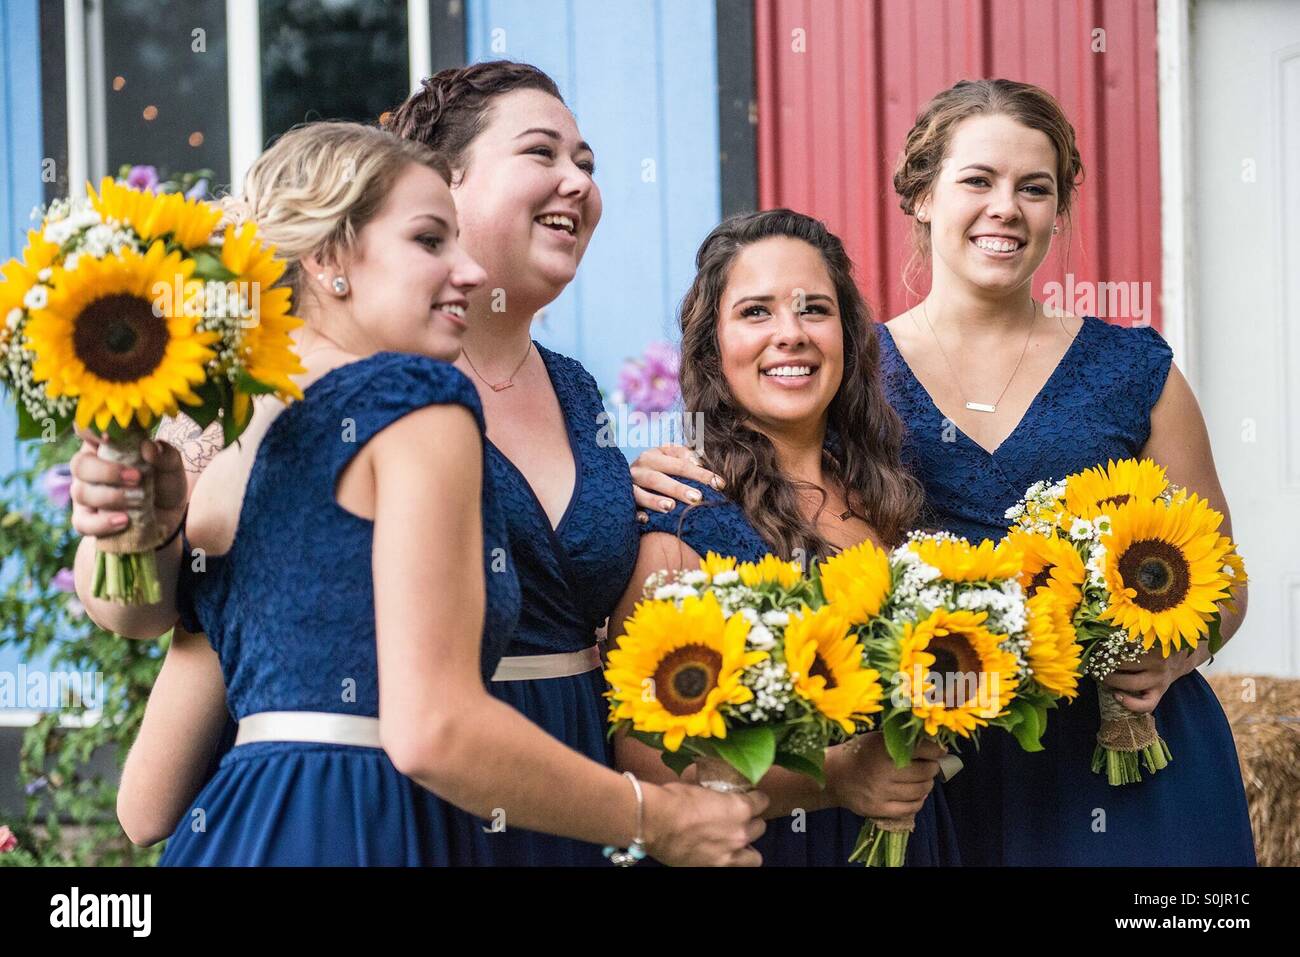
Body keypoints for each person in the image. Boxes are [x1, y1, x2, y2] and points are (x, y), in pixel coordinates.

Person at [70, 120, 767, 866]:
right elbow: (433, 728)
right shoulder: (414, 400)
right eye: (431, 241)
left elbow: (147, 651)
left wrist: (134, 530)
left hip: (242, 828)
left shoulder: (237, 431)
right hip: (374, 825)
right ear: (332, 257)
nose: (466, 270)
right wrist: (653, 817)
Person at [630, 79, 1255, 866]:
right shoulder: (853, 370)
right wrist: (668, 462)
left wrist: (1178, 650)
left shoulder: (1135, 368)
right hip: (941, 768)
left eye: (1036, 188)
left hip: (1131, 751)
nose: (1007, 208)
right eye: (978, 181)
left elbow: (1225, 576)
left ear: (1059, 210)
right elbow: (772, 461)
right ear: (922, 195)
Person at [612, 209, 959, 866]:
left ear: (848, 337)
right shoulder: (683, 521)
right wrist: (836, 780)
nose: (790, 335)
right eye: (756, 313)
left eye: (813, 310)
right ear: (713, 346)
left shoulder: (890, 499)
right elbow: (649, 769)